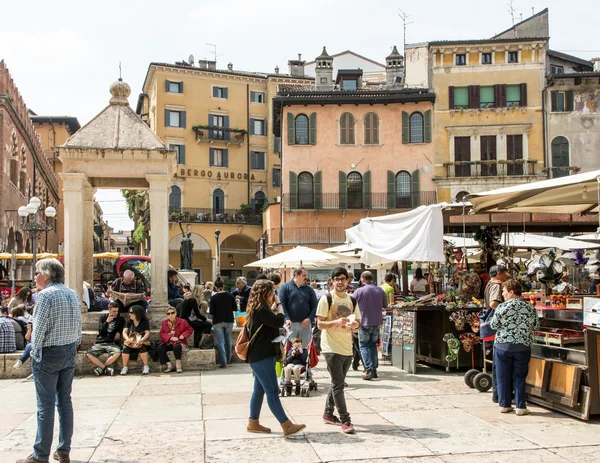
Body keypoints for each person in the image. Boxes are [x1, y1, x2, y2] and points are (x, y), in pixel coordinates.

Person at [17, 259, 81, 463]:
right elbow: (78, 327)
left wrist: (34, 353)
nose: (34, 276)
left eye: (36, 273)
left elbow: (39, 329)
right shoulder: (72, 293)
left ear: (46, 275)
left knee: (45, 406)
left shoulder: (44, 296)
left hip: (49, 353)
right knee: (65, 402)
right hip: (69, 350)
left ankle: (40, 454)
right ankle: (63, 450)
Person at [245, 279, 306, 437]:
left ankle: (253, 422)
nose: (275, 294)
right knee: (272, 391)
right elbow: (278, 320)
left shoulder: (259, 308)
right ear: (267, 292)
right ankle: (286, 425)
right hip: (262, 356)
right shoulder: (261, 309)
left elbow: (271, 326)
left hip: (260, 355)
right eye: (273, 291)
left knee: (259, 391)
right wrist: (279, 304)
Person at [317, 267, 361, 434]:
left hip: (347, 347)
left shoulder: (352, 300)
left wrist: (354, 325)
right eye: (337, 279)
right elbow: (320, 324)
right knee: (338, 385)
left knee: (338, 383)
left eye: (343, 278)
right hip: (331, 348)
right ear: (332, 281)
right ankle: (345, 419)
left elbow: (358, 322)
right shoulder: (326, 299)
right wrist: (336, 323)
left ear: (347, 281)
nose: (340, 282)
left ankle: (328, 414)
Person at [491, 280, 540, 416]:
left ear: (511, 292)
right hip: (522, 346)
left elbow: (493, 325)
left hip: (503, 346)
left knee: (502, 376)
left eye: (504, 292)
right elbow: (536, 325)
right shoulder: (529, 307)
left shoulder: (502, 307)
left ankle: (504, 404)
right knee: (519, 376)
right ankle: (520, 406)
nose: (503, 294)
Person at [354, 271, 388, 381]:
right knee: (373, 346)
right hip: (377, 322)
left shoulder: (359, 291)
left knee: (363, 346)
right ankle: (374, 369)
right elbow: (385, 305)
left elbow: (351, 305)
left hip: (364, 322)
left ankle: (369, 369)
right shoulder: (380, 290)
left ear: (363, 279)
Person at [484, 264, 509, 404]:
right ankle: (498, 393)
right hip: (496, 325)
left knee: (496, 359)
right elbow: (494, 304)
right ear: (499, 273)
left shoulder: (490, 284)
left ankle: (498, 393)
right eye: (504, 273)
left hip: (493, 325)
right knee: (498, 361)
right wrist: (508, 310)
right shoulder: (497, 286)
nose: (506, 276)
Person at [279, 267, 318, 347]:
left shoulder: (309, 290)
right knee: (289, 349)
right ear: (296, 275)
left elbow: (315, 306)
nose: (306, 277)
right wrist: (286, 318)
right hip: (290, 324)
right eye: (304, 275)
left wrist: (310, 319)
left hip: (305, 325)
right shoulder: (285, 288)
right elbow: (281, 304)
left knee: (304, 349)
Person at [85, 301, 125, 377]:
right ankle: (105, 368)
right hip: (100, 342)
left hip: (111, 343)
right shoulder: (103, 317)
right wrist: (107, 322)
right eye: (114, 311)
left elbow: (119, 331)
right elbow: (101, 331)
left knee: (118, 352)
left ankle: (101, 367)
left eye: (117, 311)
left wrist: (119, 332)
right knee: (88, 354)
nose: (116, 313)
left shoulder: (120, 319)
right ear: (109, 310)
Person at [157, 306, 193, 373]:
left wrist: (183, 335)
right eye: (168, 314)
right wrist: (170, 338)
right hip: (169, 342)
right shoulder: (164, 323)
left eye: (172, 313)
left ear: (175, 313)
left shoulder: (182, 321)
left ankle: (178, 364)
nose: (170, 315)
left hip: (179, 342)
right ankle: (169, 365)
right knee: (160, 348)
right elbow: (162, 333)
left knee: (177, 346)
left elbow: (189, 329)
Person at [210, 277, 236, 368]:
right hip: (229, 319)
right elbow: (235, 308)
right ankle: (228, 359)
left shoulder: (213, 298)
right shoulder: (230, 295)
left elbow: (212, 312)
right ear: (223, 286)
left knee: (220, 341)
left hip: (217, 321)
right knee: (228, 340)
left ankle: (223, 362)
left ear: (215, 287)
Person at [120, 305, 151, 375]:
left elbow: (147, 332)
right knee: (125, 349)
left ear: (137, 313)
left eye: (131, 313)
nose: (129, 314)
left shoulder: (144, 321)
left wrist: (142, 339)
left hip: (140, 340)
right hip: (131, 340)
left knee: (142, 348)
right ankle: (124, 367)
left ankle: (146, 366)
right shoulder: (128, 321)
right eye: (129, 312)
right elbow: (124, 332)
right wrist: (127, 339)